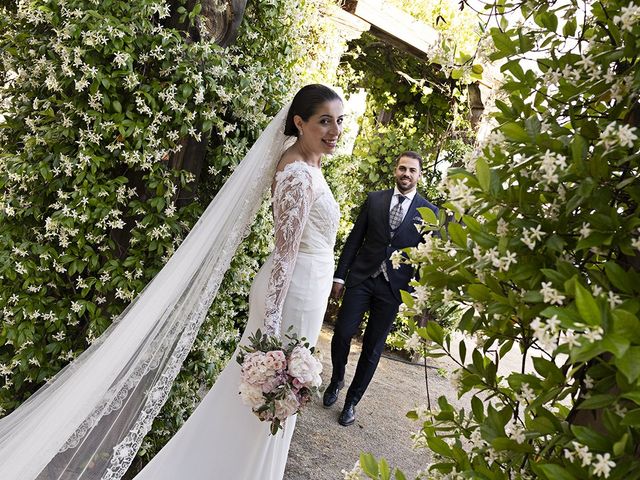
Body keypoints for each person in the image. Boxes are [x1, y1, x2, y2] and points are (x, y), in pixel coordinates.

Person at [0, 84, 343, 480]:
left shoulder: (312, 166)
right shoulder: (298, 174)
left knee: (270, 404)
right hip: (291, 294)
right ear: (299, 123)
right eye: (324, 121)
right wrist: (268, 340)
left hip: (308, 289)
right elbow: (284, 254)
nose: (334, 130)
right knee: (269, 391)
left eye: (339, 121)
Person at [323, 151, 438, 426]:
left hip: (393, 289)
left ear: (419, 175)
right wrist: (340, 277)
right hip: (362, 278)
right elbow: (354, 240)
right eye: (402, 169)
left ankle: (352, 401)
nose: (406, 174)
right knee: (342, 334)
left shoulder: (429, 213)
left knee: (373, 348)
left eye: (412, 170)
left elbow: (427, 258)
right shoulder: (375, 199)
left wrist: (417, 299)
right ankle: (337, 378)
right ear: (395, 171)